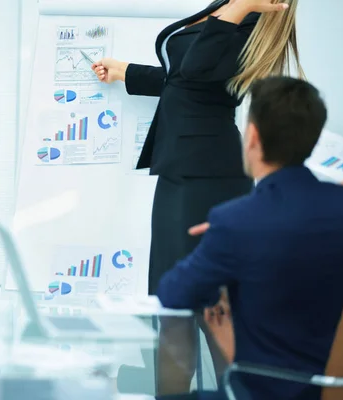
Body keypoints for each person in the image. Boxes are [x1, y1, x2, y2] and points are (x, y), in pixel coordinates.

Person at [92, 0, 301, 393]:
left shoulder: (252, 22)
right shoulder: (229, 12)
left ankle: (237, 392)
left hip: (206, 173)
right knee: (173, 297)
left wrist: (241, 7)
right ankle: (184, 393)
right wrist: (125, 73)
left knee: (199, 300)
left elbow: (198, 66)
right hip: (184, 168)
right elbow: (184, 79)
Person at [157, 77, 343, 400]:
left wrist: (222, 242)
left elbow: (173, 293)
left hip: (262, 391)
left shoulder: (234, 221)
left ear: (252, 137)